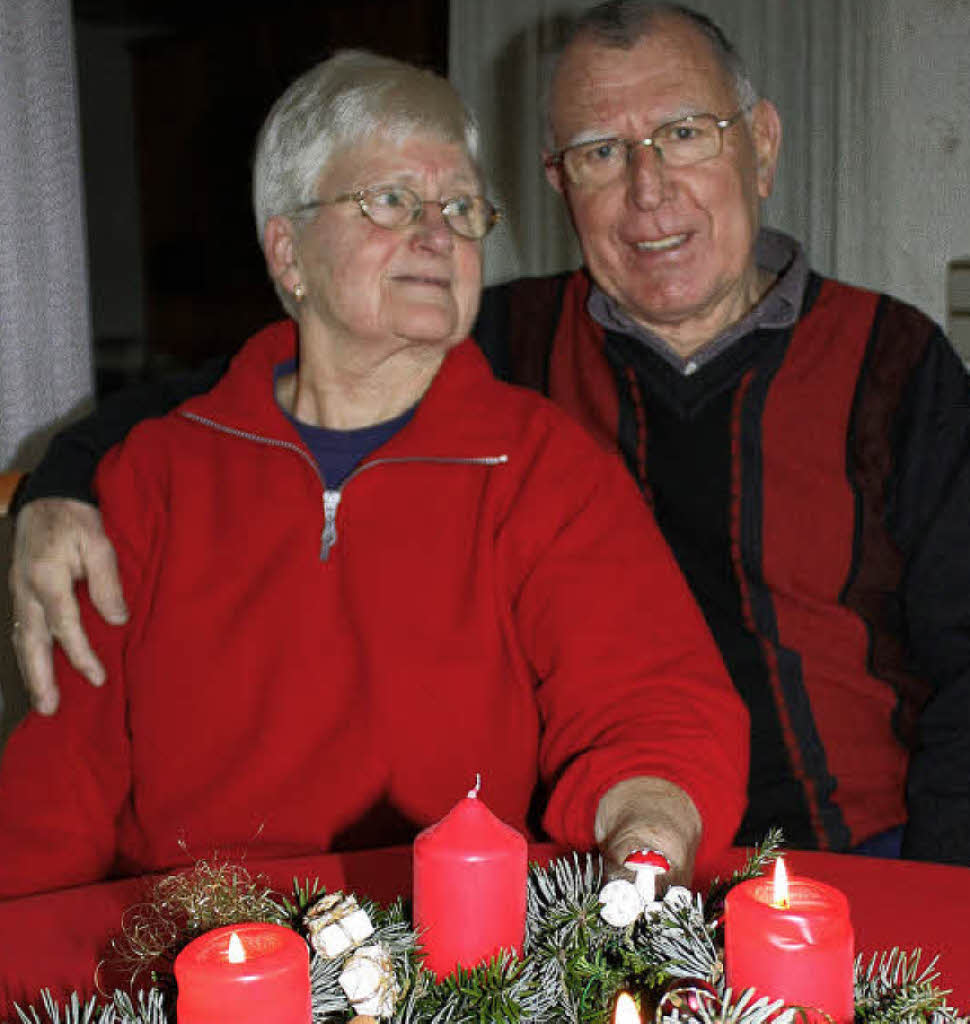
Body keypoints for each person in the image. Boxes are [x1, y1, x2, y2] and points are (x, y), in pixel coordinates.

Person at [10, 2, 969, 863]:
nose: (647, 187)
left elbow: (673, 698)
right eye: (601, 151)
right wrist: (68, 475)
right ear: (286, 248)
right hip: (252, 932)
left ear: (761, 146)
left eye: (684, 133)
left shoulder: (888, 364)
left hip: (833, 846)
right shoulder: (511, 342)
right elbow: (243, 399)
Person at [0, 49, 747, 901]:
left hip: (450, 955)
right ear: (288, 252)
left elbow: (651, 706)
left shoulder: (542, 467)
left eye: (463, 208)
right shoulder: (150, 477)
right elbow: (56, 792)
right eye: (390, 200)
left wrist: (648, 824)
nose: (437, 234)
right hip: (184, 949)